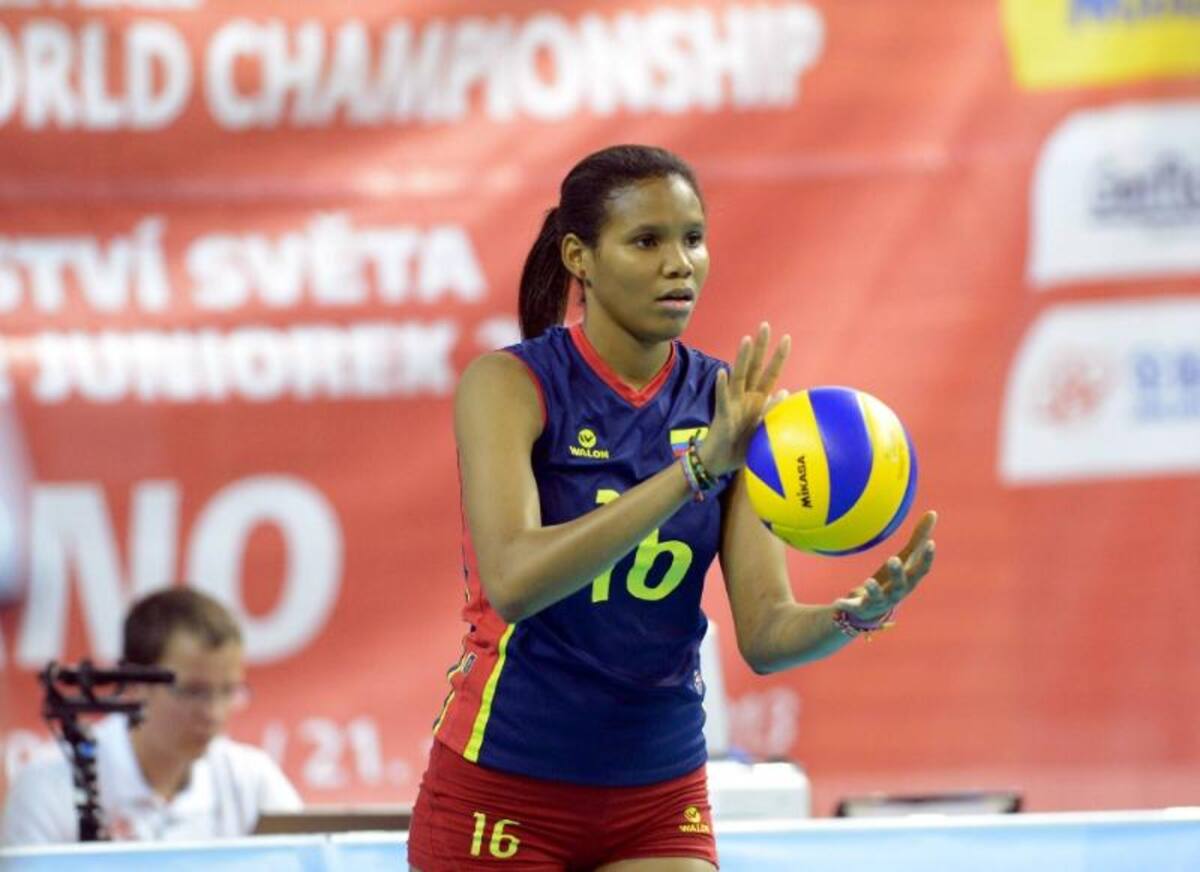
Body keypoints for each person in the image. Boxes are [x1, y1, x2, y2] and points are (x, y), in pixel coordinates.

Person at [407, 144, 937, 872]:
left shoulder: (733, 406)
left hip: (658, 791)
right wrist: (694, 470)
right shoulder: (509, 384)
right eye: (647, 241)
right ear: (579, 257)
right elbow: (514, 580)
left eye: (692, 238)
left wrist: (852, 617)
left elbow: (766, 632)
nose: (680, 263)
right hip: (505, 784)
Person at [2, 587, 301, 844]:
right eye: (194, 691)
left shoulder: (250, 781)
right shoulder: (50, 786)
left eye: (228, 691)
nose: (213, 712)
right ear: (134, 684)